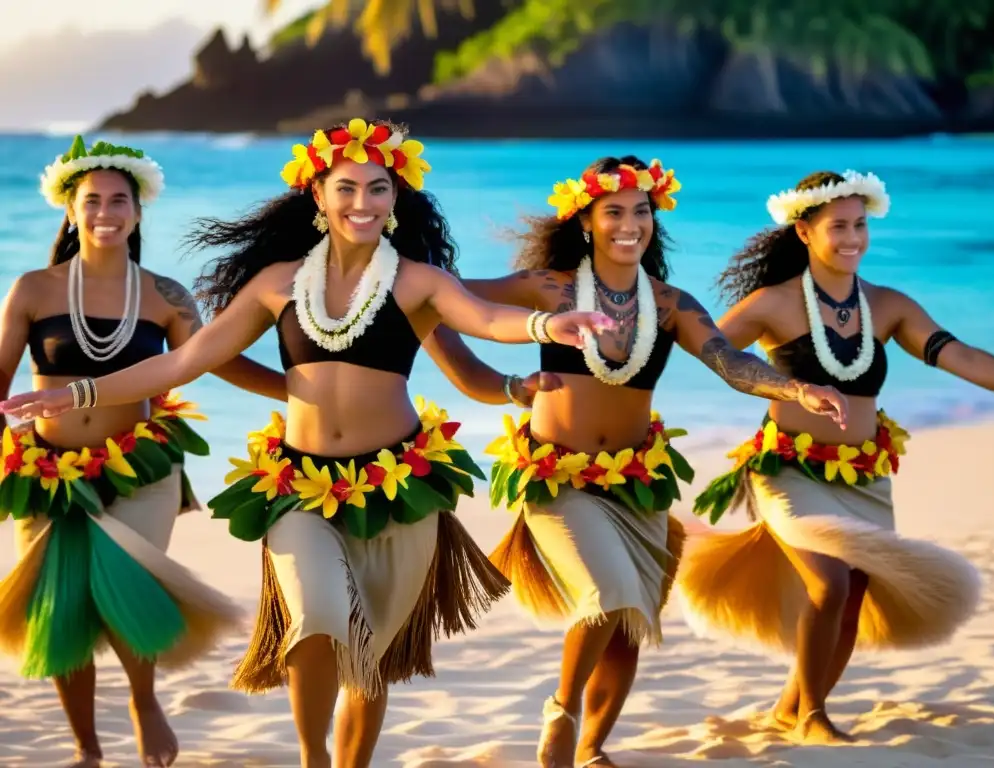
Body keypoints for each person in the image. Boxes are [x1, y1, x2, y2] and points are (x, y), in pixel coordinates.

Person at [0, 119, 617, 768]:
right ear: (317, 196)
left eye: (378, 188)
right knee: (318, 618)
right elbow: (186, 362)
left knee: (371, 656)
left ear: (396, 197)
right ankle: (312, 759)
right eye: (346, 187)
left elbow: (488, 318)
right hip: (299, 486)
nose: (362, 203)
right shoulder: (276, 282)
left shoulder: (418, 282)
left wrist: (550, 323)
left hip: (399, 486)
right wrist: (77, 394)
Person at [420, 155, 850, 767]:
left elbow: (731, 361)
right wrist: (493, 384)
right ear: (587, 222)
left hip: (637, 484)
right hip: (557, 477)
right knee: (608, 593)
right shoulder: (548, 288)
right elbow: (437, 304)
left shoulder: (670, 303)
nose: (630, 223)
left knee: (628, 625)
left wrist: (795, 388)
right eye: (613, 211)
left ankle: (594, 749)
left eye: (641, 211)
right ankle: (563, 713)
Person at [678, 170, 994, 744]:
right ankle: (813, 718)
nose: (853, 237)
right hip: (788, 470)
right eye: (839, 227)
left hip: (864, 476)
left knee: (853, 592)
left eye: (861, 224)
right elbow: (705, 347)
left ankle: (795, 706)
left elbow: (961, 356)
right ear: (804, 231)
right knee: (829, 583)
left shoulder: (886, 306)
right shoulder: (774, 304)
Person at [0, 136, 286, 767]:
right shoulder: (33, 289)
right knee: (61, 608)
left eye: (118, 200)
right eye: (92, 200)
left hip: (142, 469)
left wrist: (298, 388)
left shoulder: (164, 294)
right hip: (45, 472)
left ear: (137, 211)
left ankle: (144, 700)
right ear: (71, 211)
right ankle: (86, 749)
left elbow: (214, 358)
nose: (106, 211)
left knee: (125, 580)